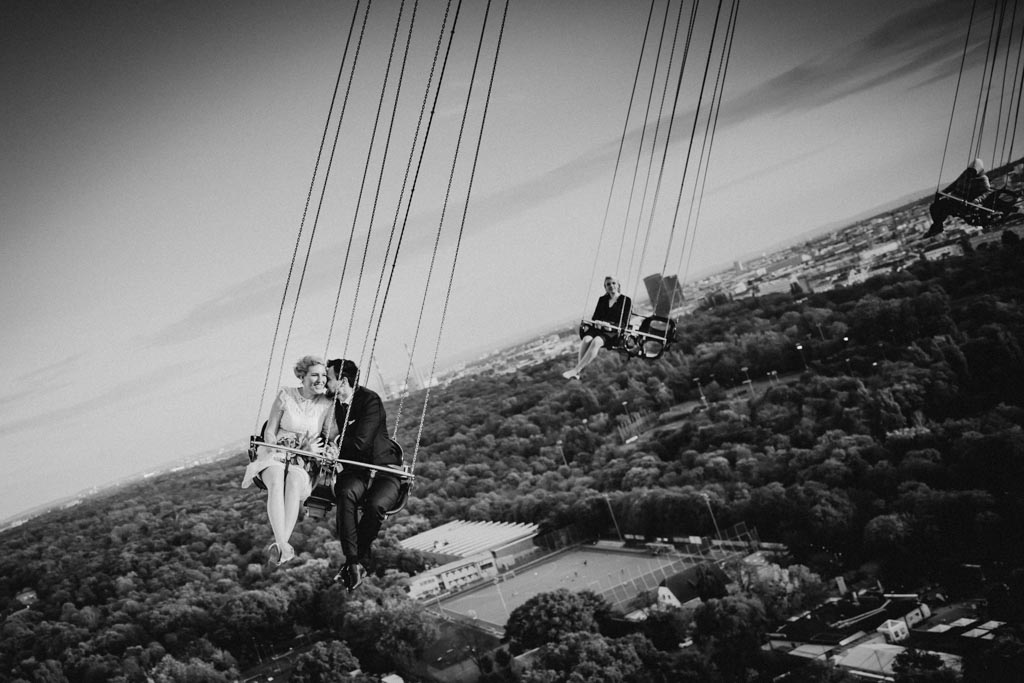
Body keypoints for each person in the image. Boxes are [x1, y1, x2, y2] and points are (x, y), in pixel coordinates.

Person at [241, 355, 332, 565]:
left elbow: (327, 438)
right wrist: (279, 445)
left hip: (304, 456)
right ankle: (283, 545)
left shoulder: (327, 404)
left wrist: (310, 450)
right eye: (314, 375)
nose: (320, 380)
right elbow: (270, 430)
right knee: (276, 479)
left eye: (323, 376)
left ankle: (281, 543)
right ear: (303, 376)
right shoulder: (285, 395)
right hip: (277, 451)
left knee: (293, 480)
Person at [325, 358, 404, 590]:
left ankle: (355, 561)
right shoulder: (335, 405)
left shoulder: (369, 400)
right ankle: (353, 563)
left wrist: (336, 443)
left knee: (376, 505)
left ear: (343, 381)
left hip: (384, 469)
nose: (326, 385)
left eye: (329, 379)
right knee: (345, 493)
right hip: (356, 470)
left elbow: (360, 443)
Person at [562, 275, 632, 379]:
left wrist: (610, 326)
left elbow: (624, 322)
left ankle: (576, 370)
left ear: (618, 285)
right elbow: (595, 317)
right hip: (599, 328)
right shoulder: (602, 299)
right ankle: (578, 372)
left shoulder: (626, 300)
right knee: (586, 340)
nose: (611, 286)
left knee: (596, 342)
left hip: (613, 331)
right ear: (605, 287)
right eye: (608, 284)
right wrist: (598, 322)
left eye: (613, 283)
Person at [925, 158, 991, 237]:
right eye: (969, 170)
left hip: (966, 204)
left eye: (972, 171)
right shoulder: (965, 174)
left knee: (945, 209)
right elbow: (954, 184)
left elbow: (987, 192)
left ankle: (937, 227)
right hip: (955, 199)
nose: (970, 173)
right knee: (934, 207)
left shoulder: (983, 179)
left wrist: (977, 200)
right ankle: (937, 227)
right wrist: (942, 193)